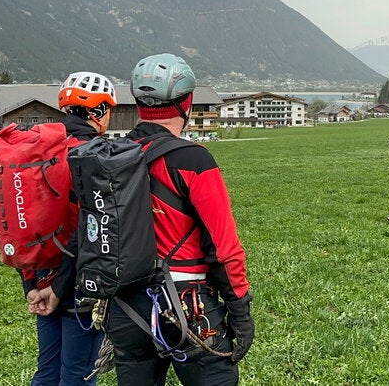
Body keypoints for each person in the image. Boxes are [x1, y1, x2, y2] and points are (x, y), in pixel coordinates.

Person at [104, 53, 254, 385]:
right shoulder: (193, 159)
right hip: (187, 304)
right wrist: (240, 313)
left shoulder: (113, 156)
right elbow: (224, 246)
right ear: (186, 101)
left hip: (125, 306)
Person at [23, 71, 116, 385]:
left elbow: (20, 222)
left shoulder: (38, 149)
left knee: (47, 369)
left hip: (39, 274)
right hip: (79, 279)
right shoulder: (97, 154)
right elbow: (93, 227)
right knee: (79, 373)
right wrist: (61, 286)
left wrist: (32, 287)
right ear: (98, 110)